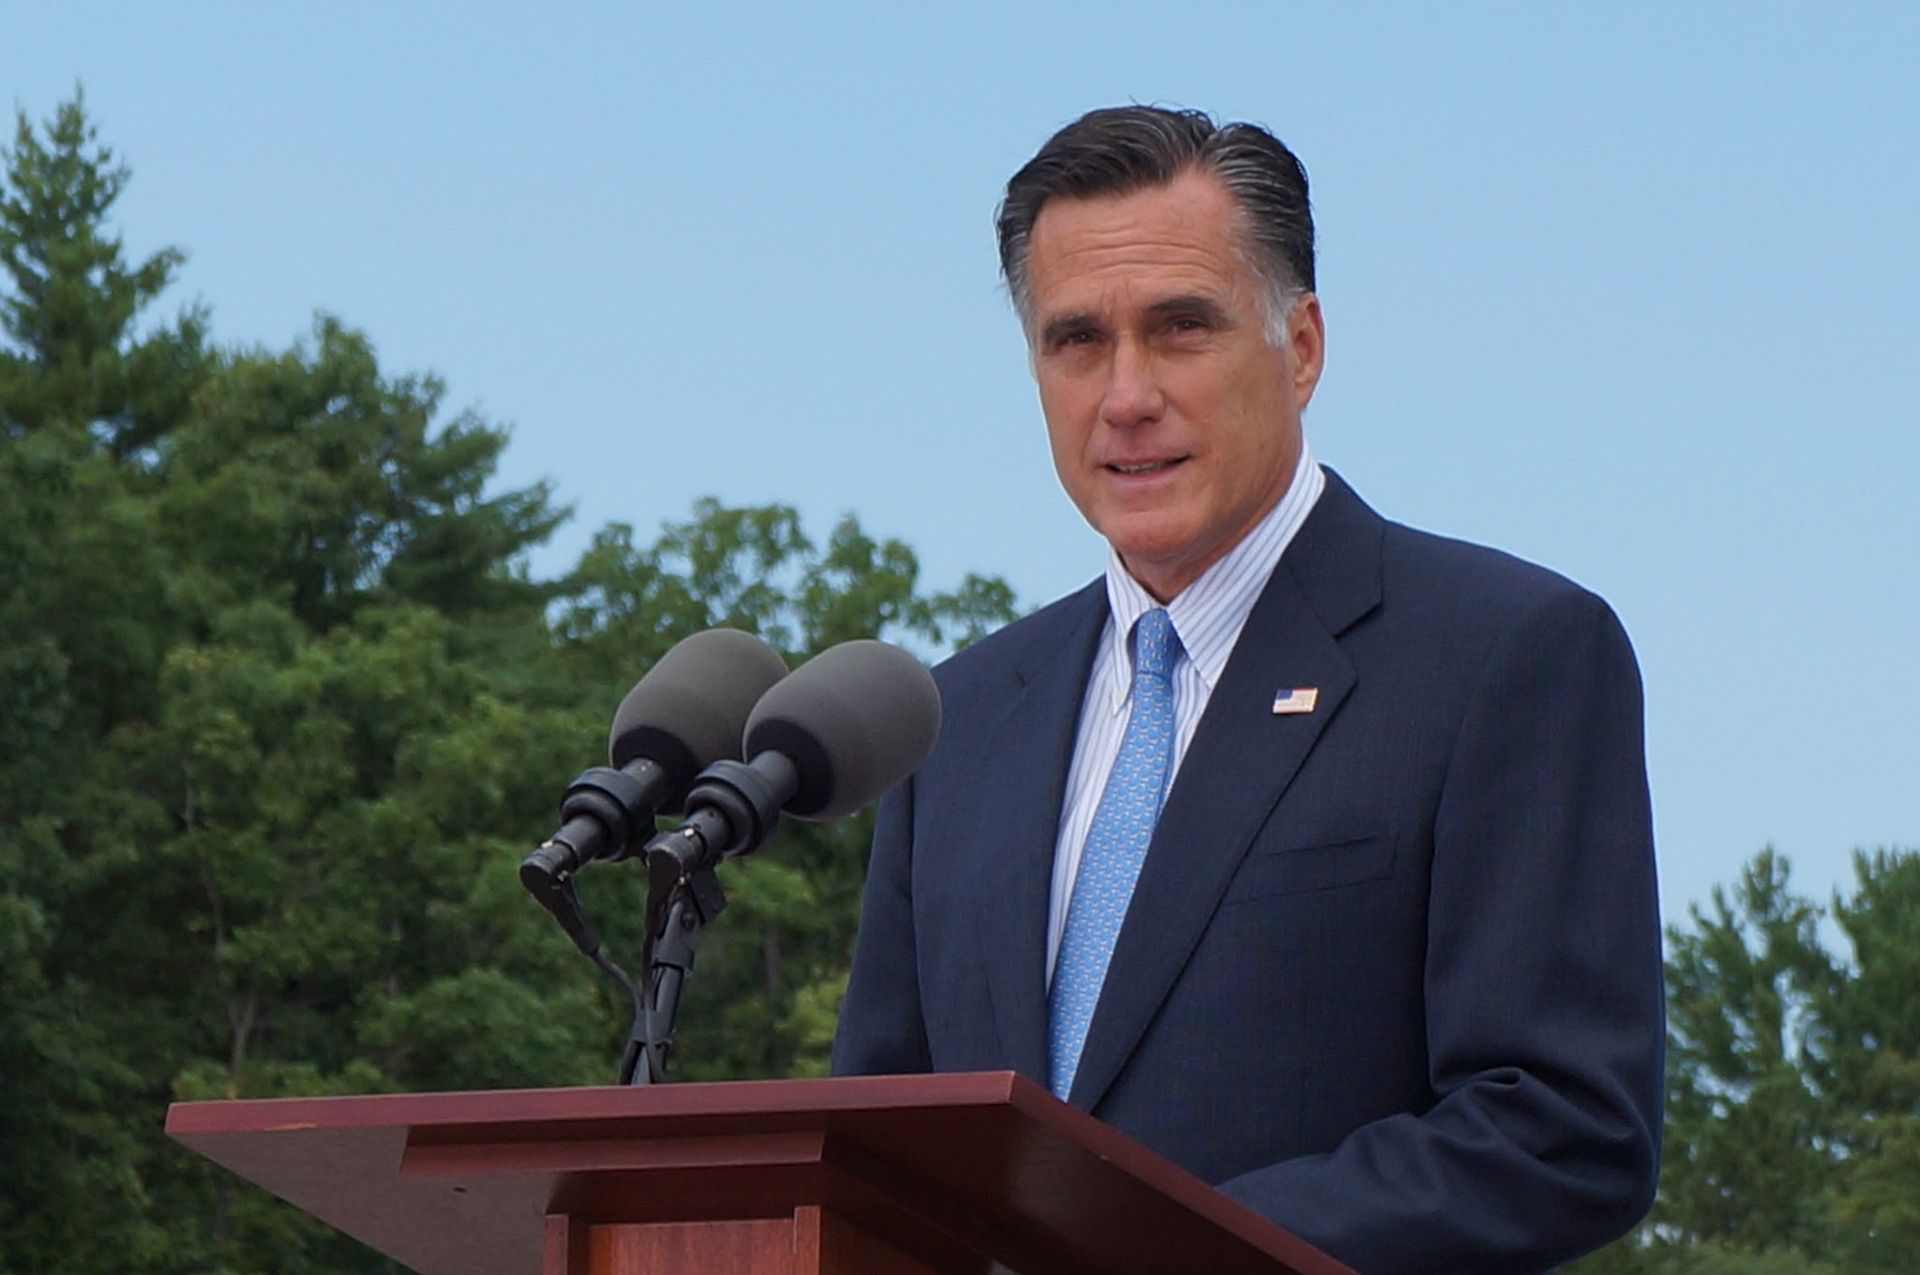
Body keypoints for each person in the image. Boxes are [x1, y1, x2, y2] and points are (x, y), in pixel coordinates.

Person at [831, 106, 1663, 1275]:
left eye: (1180, 329)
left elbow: (1562, 1128)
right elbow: (878, 1159)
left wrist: (1155, 1251)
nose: (1125, 395)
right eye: (1077, 342)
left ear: (1303, 345)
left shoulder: (1507, 655)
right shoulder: (955, 718)